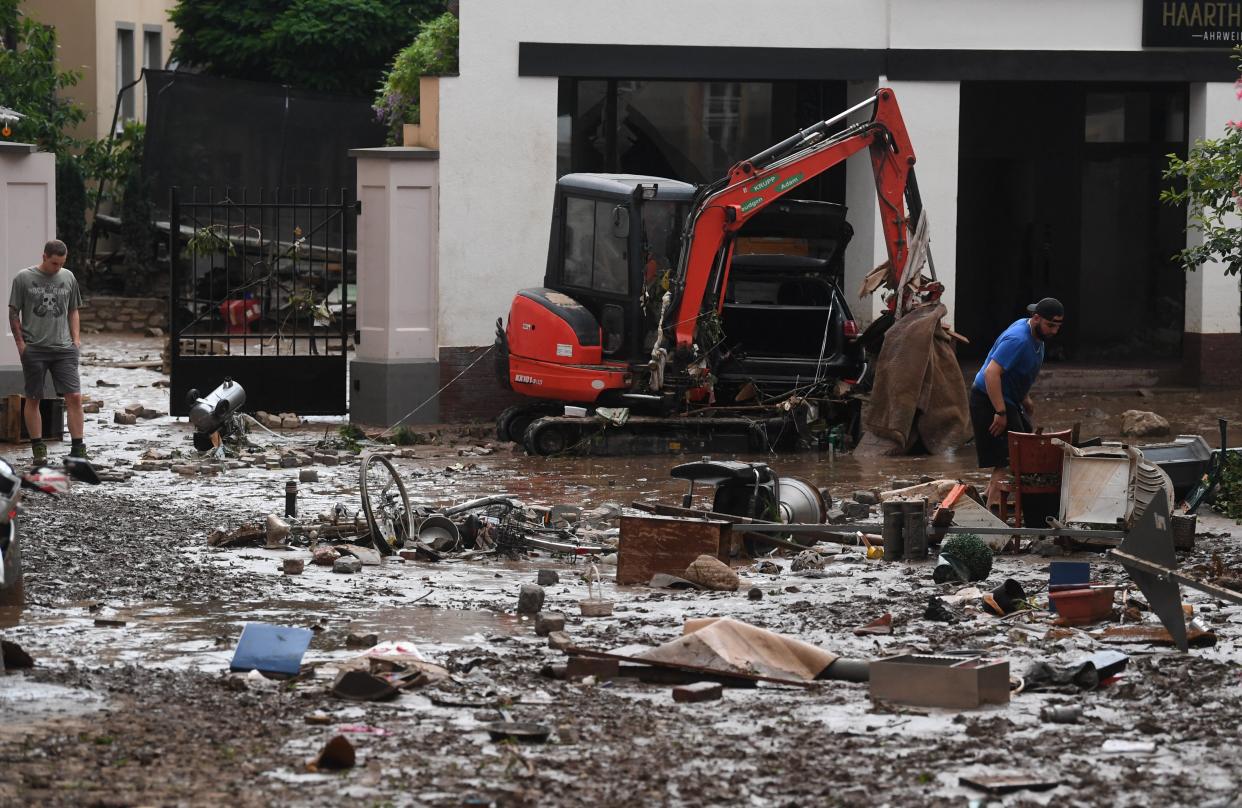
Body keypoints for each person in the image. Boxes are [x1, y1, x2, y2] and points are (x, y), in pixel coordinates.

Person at [969, 297, 1065, 509]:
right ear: (1036, 318)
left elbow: (1018, 371)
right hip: (989, 399)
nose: (1054, 332)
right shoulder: (1018, 340)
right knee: (1012, 455)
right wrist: (1000, 412)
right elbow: (991, 373)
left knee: (1022, 449)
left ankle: (988, 497)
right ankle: (993, 506)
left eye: (1057, 326)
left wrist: (1024, 398)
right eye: (1050, 326)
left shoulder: (1035, 334)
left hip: (1009, 398)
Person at [8, 239, 86, 463]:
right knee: (34, 398)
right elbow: (13, 313)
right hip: (35, 349)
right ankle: (38, 448)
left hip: (64, 349)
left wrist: (76, 340)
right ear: (44, 257)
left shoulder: (68, 277)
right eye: (54, 263)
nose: (57, 268)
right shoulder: (23, 278)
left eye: (61, 263)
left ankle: (78, 449)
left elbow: (73, 310)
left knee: (75, 397)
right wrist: (22, 346)